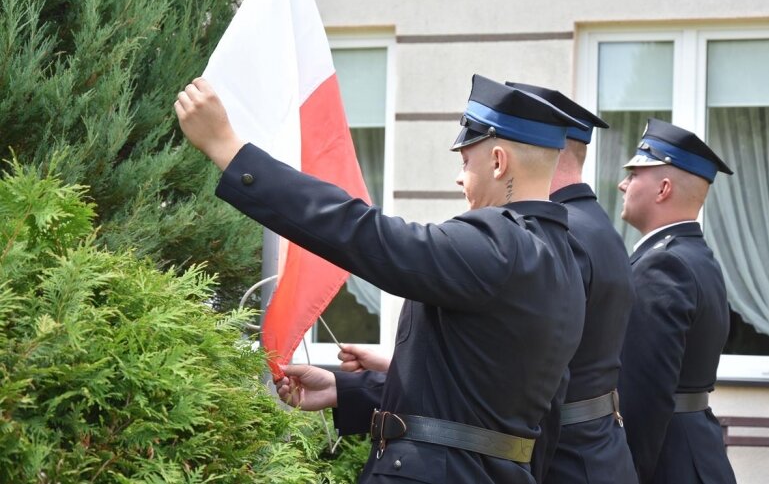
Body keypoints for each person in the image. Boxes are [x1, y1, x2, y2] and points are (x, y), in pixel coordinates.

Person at [175, 73, 587, 483]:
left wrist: (229, 149)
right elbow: (500, 398)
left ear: (498, 162)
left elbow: (362, 232)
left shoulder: (497, 243)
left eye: (466, 162)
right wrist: (351, 390)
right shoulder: (566, 260)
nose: (459, 178)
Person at [506, 83, 638, 484]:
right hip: (598, 451)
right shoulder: (596, 225)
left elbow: (541, 370)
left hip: (565, 459)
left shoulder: (559, 233)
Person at [616, 118, 737, 484]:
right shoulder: (694, 256)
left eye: (635, 173)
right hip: (691, 449)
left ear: (663, 188)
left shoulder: (664, 264)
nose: (623, 183)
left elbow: (644, 397)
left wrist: (626, 473)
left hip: (668, 461)